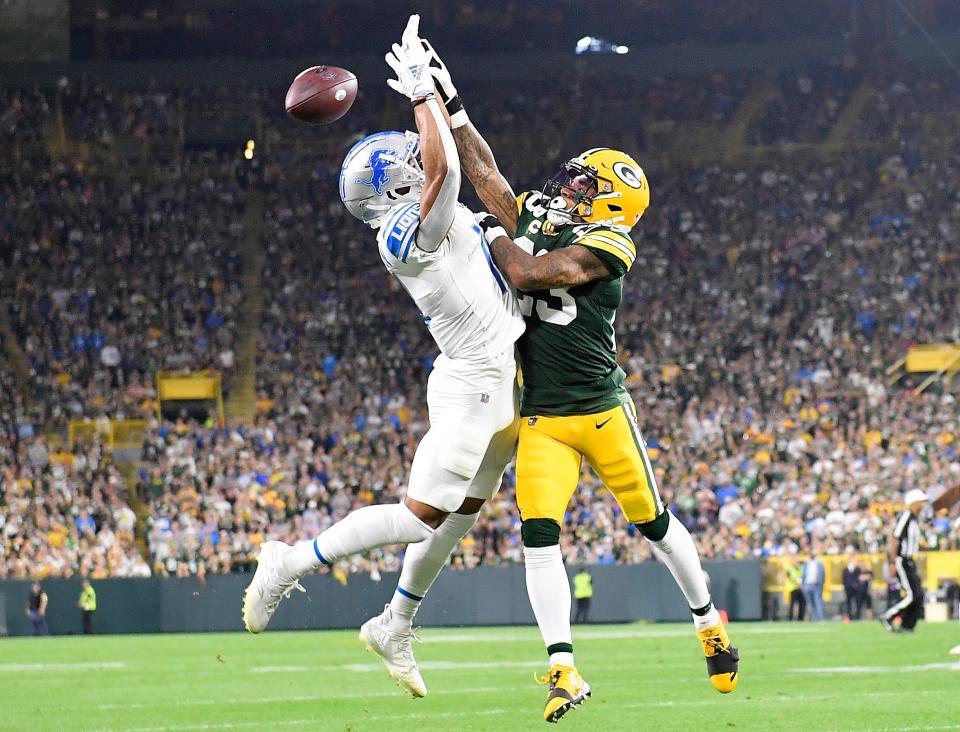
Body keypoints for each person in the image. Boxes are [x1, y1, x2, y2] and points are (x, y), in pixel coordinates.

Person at [422, 41, 738, 722]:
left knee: (653, 523)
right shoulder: (545, 213)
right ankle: (563, 667)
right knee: (538, 533)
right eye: (577, 179)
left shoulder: (613, 244)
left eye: (588, 187)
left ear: (612, 204)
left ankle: (708, 620)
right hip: (542, 414)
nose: (572, 188)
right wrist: (452, 107)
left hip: (600, 409)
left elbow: (539, 274)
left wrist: (485, 235)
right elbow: (490, 177)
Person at [241, 16, 523, 700]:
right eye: (399, 162)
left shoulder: (441, 208)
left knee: (461, 516)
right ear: (386, 190)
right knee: (421, 514)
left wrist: (448, 101)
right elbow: (449, 170)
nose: (411, 156)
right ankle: (292, 560)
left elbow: (486, 180)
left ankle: (395, 623)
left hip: (506, 378)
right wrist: (421, 96)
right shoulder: (397, 232)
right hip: (473, 383)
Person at [880, 489, 929, 633]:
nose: (923, 505)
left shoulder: (913, 519)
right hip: (902, 560)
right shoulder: (906, 516)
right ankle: (888, 616)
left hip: (909, 560)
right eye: (921, 502)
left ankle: (907, 626)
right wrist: (892, 562)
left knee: (919, 595)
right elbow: (895, 539)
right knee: (912, 594)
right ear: (914, 503)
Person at [801, 551, 826, 621]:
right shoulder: (806, 564)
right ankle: (814, 619)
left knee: (818, 602)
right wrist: (803, 585)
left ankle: (821, 618)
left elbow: (822, 576)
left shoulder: (819, 563)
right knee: (810, 603)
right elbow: (803, 575)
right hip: (807, 585)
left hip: (816, 585)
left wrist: (820, 585)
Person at [842, 548, 864, 620]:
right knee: (848, 603)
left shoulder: (857, 568)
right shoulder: (845, 569)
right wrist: (845, 586)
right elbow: (844, 579)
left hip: (856, 588)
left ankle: (857, 616)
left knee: (857, 602)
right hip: (848, 588)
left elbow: (859, 577)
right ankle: (849, 616)